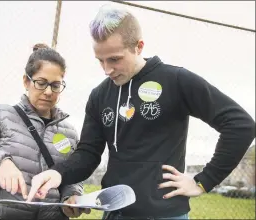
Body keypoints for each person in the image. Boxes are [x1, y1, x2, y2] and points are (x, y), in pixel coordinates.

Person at [26, 5, 255, 220]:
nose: (107, 70)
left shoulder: (175, 80)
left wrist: (204, 180)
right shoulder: (99, 95)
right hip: (114, 212)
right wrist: (59, 173)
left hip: (164, 213)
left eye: (114, 59)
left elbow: (240, 125)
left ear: (138, 47)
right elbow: (88, 153)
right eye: (100, 60)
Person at [0, 43, 89, 219]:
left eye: (56, 85)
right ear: (26, 81)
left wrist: (71, 195)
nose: (48, 92)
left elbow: (72, 177)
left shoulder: (69, 133)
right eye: (41, 83)